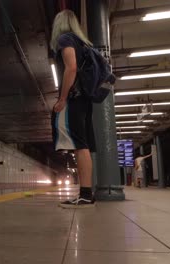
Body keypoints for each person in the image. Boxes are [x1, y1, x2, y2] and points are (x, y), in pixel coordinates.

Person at [50, 10, 96, 208]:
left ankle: (85, 195)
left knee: (79, 144)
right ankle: (86, 193)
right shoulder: (82, 42)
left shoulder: (65, 39)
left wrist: (62, 98)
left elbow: (71, 68)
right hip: (86, 98)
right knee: (82, 144)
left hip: (75, 98)